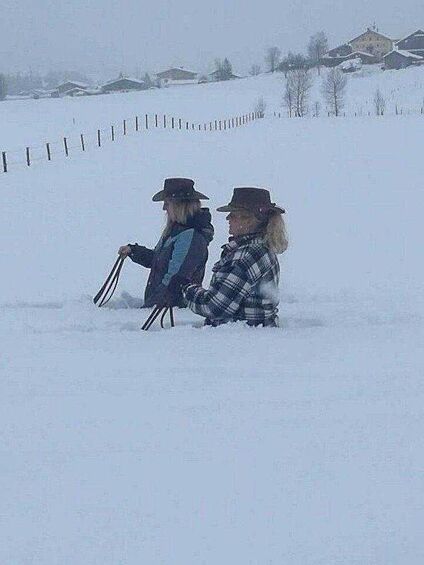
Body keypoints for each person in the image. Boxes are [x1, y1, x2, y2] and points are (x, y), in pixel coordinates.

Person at [174, 187, 288, 327]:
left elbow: (215, 307)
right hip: (252, 337)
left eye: (233, 214)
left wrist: (186, 288)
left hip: (239, 339)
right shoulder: (260, 249)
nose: (228, 218)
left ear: (249, 220)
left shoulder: (246, 256)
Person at [118, 178, 214, 308]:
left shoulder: (190, 236)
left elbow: (175, 279)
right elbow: (160, 261)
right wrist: (134, 251)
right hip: (165, 310)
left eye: (167, 203)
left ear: (180, 205)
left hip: (170, 311)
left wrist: (152, 306)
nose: (164, 208)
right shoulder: (178, 231)